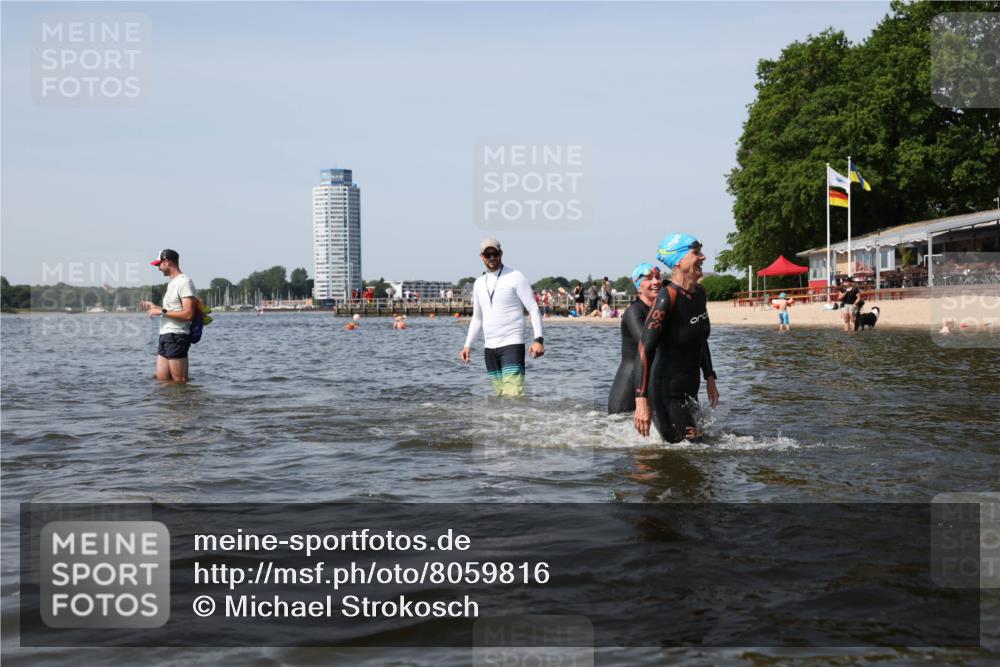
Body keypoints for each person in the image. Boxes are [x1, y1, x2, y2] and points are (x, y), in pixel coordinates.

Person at [633, 234, 720, 442]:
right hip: (666, 393)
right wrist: (640, 401)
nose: (703, 257)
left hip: (690, 390)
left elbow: (700, 338)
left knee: (700, 449)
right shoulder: (667, 298)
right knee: (693, 450)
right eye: (696, 253)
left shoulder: (700, 293)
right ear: (679, 262)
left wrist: (709, 376)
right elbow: (645, 349)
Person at [460, 238, 544, 397]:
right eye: (487, 254)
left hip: (512, 345)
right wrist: (467, 345)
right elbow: (477, 318)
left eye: (495, 253)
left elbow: (533, 308)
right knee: (500, 398)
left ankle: (522, 421)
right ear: (482, 257)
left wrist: (538, 340)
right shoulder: (478, 283)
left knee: (513, 396)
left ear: (501, 254)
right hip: (489, 349)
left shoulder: (515, 276)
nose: (492, 258)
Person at [608, 263, 660, 414]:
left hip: (648, 382)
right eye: (649, 278)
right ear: (638, 287)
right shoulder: (633, 312)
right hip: (628, 386)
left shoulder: (660, 310)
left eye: (658, 277)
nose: (656, 281)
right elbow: (648, 345)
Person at [139, 249, 197, 382]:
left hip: (177, 335)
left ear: (167, 262)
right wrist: (155, 307)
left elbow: (188, 315)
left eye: (159, 264)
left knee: (180, 381)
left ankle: (183, 402)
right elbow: (172, 310)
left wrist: (160, 311)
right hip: (165, 335)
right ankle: (168, 403)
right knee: (162, 379)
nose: (158, 268)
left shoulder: (184, 282)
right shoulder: (172, 283)